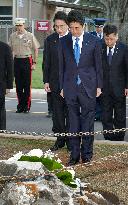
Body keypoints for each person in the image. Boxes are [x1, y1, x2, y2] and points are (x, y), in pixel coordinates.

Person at [59, 10, 102, 166]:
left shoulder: (94, 41)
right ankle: (74, 155)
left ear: (83, 26)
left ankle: (87, 155)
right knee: (73, 123)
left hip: (88, 87)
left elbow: (99, 66)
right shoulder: (64, 42)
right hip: (70, 88)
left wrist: (99, 86)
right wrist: (62, 86)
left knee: (88, 122)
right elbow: (61, 67)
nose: (74, 31)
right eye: (71, 28)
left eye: (77, 28)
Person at [43, 11, 70, 151]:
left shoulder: (73, 39)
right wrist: (46, 81)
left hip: (70, 83)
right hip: (54, 83)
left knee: (71, 113)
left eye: (62, 26)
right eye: (56, 26)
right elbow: (46, 62)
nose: (59, 29)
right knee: (57, 114)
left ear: (68, 25)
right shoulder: (50, 40)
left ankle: (71, 141)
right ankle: (60, 140)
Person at [101, 24, 128, 141]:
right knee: (106, 114)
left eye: (111, 39)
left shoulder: (124, 49)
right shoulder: (100, 47)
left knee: (120, 114)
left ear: (117, 37)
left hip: (119, 88)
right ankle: (108, 136)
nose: (109, 41)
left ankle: (119, 137)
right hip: (104, 88)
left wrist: (127, 86)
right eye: (106, 39)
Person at [9, 18, 40, 113]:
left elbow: (36, 49)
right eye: (17, 25)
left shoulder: (30, 35)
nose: (19, 27)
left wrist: (34, 63)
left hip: (27, 60)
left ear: (24, 25)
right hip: (17, 61)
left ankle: (26, 105)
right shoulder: (12, 36)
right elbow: (10, 50)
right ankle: (20, 106)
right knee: (18, 85)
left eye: (20, 25)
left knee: (27, 85)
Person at [91, 18, 107, 121]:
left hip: (104, 68)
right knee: (94, 92)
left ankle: (102, 114)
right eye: (97, 27)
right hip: (93, 68)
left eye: (100, 27)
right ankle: (96, 114)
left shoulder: (106, 37)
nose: (98, 29)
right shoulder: (91, 36)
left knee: (103, 93)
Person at [0, 41, 13, 129]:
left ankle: (2, 131)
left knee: (0, 110)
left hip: (1, 83)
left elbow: (10, 67)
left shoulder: (5, 47)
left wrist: (9, 85)